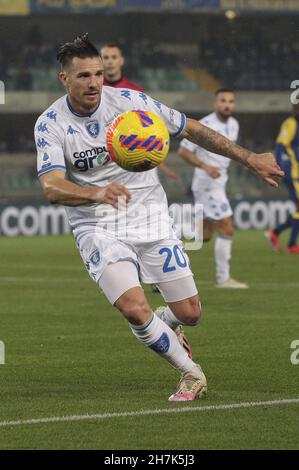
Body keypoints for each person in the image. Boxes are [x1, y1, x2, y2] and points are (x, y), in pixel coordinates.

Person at [35, 34, 283, 402]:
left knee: (191, 312)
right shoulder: (50, 124)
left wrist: (249, 158)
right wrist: (96, 193)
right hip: (96, 224)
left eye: (99, 74)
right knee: (135, 309)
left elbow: (190, 128)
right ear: (64, 79)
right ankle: (190, 372)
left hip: (150, 216)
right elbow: (52, 186)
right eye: (83, 76)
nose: (93, 83)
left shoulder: (130, 104)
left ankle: (166, 324)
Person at [178, 89, 248, 288]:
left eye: (231, 101)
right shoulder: (206, 125)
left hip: (219, 182)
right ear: (215, 103)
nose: (227, 104)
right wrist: (205, 166)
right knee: (226, 227)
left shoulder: (234, 124)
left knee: (204, 235)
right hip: (206, 183)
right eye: (223, 101)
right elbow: (183, 151)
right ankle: (223, 278)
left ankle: (170, 238)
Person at [100, 42, 179, 183]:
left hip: (133, 155)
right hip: (104, 162)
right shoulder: (94, 91)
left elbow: (146, 130)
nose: (110, 61)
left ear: (121, 60)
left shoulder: (135, 91)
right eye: (105, 57)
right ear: (100, 62)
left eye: (113, 57)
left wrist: (162, 165)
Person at [266, 104, 299, 254]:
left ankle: (276, 232)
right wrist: (277, 168)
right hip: (293, 173)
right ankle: (291, 244)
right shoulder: (290, 123)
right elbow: (280, 146)